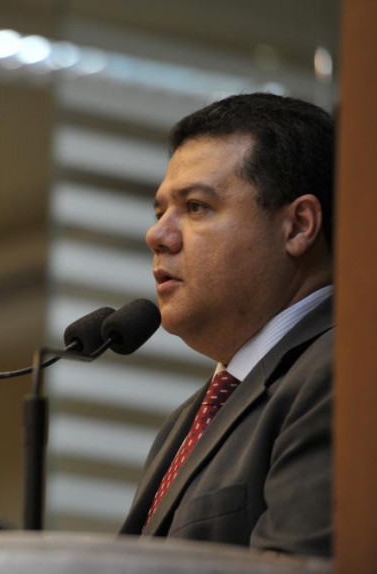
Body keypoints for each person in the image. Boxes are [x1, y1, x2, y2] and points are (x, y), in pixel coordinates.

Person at [119, 93, 334, 557]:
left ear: (298, 226)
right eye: (160, 213)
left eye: (195, 207)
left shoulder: (341, 370)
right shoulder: (190, 418)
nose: (157, 235)